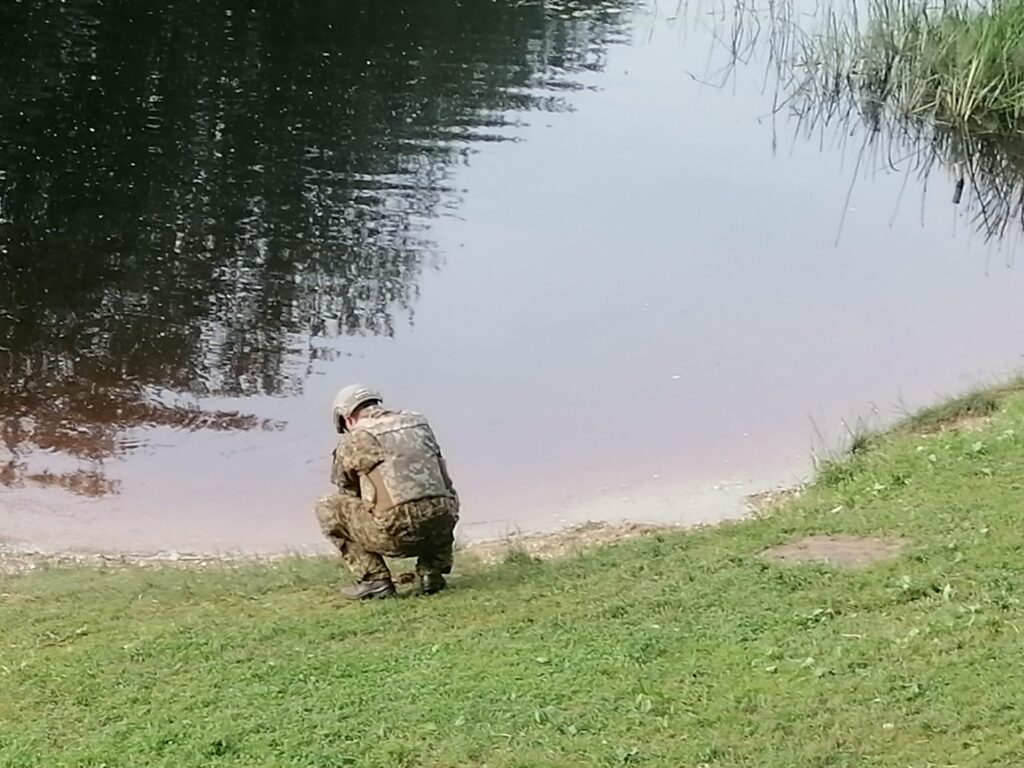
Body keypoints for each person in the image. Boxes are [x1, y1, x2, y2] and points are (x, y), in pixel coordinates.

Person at [314, 384, 460, 600]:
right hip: (439, 528)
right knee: (439, 494)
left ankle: (375, 579)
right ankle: (432, 571)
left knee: (327, 506)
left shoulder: (355, 438)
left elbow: (345, 487)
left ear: (347, 418)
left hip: (394, 536)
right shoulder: (418, 422)